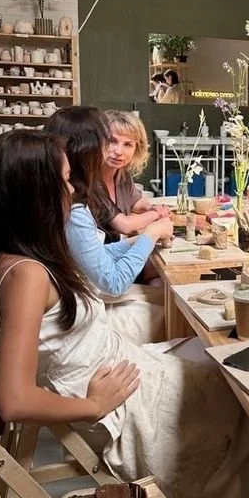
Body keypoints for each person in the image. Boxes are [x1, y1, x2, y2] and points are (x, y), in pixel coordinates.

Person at [0, 130, 249, 498]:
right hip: (113, 397)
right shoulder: (27, 275)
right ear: (37, 192)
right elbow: (11, 400)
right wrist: (92, 405)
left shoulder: (21, 255)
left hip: (117, 362)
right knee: (246, 388)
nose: (73, 190)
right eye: (64, 180)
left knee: (223, 354)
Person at [46, 107, 172, 342]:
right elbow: (112, 282)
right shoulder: (75, 205)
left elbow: (94, 253)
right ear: (84, 149)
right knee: (172, 301)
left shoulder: (75, 192)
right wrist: (152, 232)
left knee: (165, 287)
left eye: (127, 144)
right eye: (106, 142)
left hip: (87, 285)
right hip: (86, 299)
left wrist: (140, 238)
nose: (113, 151)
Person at [100, 109, 170, 244]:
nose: (118, 151)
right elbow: (124, 225)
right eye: (112, 141)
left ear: (136, 149)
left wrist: (153, 208)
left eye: (127, 144)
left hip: (113, 252)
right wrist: (156, 215)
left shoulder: (121, 174)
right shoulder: (90, 180)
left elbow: (137, 202)